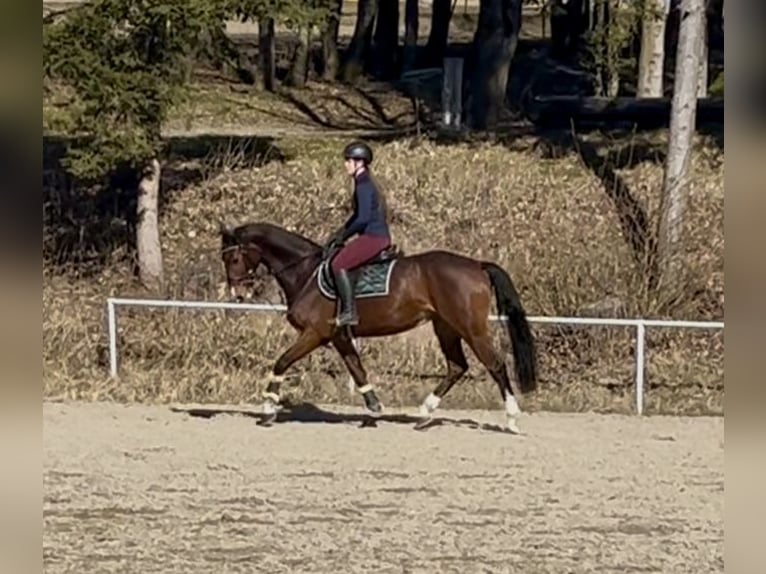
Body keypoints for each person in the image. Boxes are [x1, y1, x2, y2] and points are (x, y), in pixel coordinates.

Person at [323, 141, 392, 327]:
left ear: (359, 162)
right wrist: (340, 232)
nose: (345, 164)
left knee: (338, 264)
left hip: (374, 237)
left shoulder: (363, 185)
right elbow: (356, 216)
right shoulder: (364, 182)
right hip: (374, 235)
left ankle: (349, 313)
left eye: (349, 160)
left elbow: (362, 219)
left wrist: (343, 237)